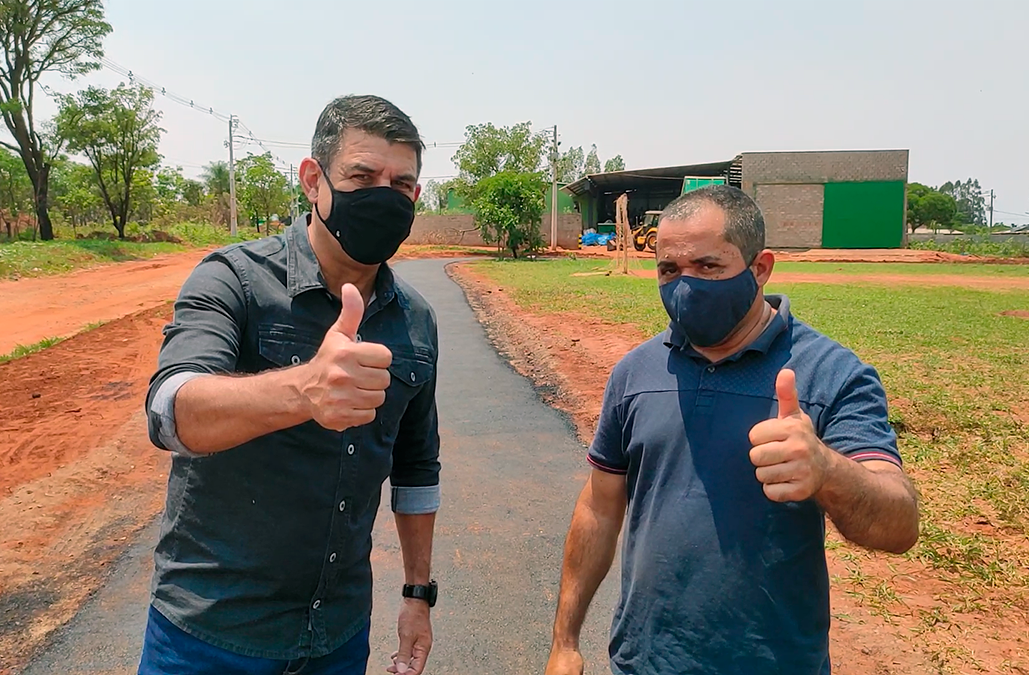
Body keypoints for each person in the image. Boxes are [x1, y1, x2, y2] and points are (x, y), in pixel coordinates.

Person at [545, 185, 920, 675]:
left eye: (708, 267)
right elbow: (599, 504)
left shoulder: (833, 375)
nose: (685, 285)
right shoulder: (635, 373)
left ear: (760, 268)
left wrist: (827, 470)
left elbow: (900, 525)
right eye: (668, 270)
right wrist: (565, 641)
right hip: (643, 662)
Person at [141, 95, 440, 675]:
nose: (383, 194)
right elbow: (170, 411)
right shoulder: (234, 279)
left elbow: (416, 468)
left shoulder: (415, 320)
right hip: (209, 635)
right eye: (361, 176)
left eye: (400, 184)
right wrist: (303, 389)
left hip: (338, 636)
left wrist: (416, 597)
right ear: (313, 180)